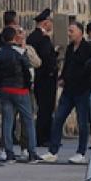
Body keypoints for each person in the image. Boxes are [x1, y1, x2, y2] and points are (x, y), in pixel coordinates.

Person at [41, 20, 91, 164]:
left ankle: (81, 152)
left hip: (82, 90)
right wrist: (62, 78)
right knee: (58, 118)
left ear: (80, 32)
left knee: (82, 122)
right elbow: (67, 66)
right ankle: (53, 151)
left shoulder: (89, 48)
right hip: (68, 90)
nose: (69, 33)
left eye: (72, 31)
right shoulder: (70, 48)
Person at [0, 25, 43, 162]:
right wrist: (28, 85)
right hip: (20, 90)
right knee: (28, 121)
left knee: (8, 122)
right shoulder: (20, 52)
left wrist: (0, 86)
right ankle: (32, 152)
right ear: (14, 38)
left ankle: (9, 152)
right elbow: (28, 71)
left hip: (5, 90)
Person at [27, 9, 59, 149]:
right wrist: (53, 68)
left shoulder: (32, 36)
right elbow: (46, 57)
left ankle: (44, 135)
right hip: (45, 78)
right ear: (46, 23)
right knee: (46, 108)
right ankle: (43, 137)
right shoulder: (42, 38)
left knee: (44, 108)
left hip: (40, 78)